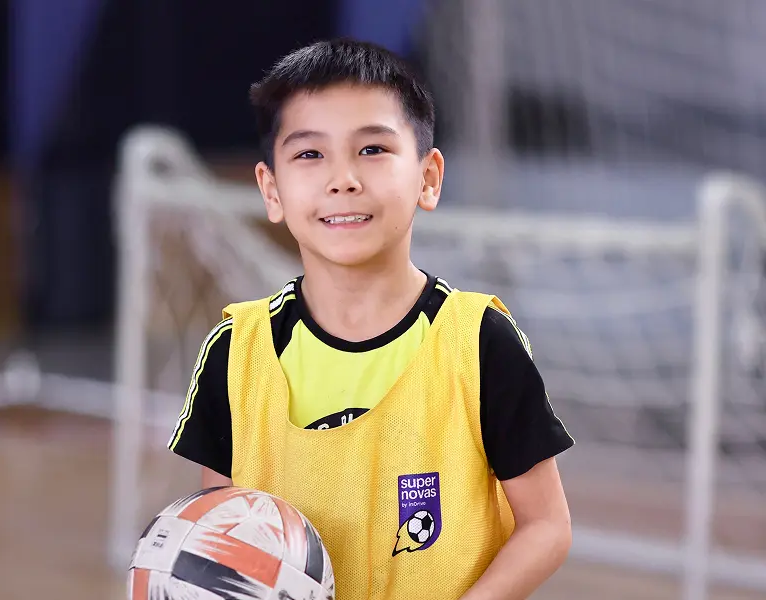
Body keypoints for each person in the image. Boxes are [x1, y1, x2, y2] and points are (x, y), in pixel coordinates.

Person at [167, 38, 575, 600]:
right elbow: (224, 535)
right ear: (271, 189)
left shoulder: (477, 342)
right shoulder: (237, 353)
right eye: (310, 154)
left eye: (373, 150)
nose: (343, 179)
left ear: (428, 178)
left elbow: (547, 526)